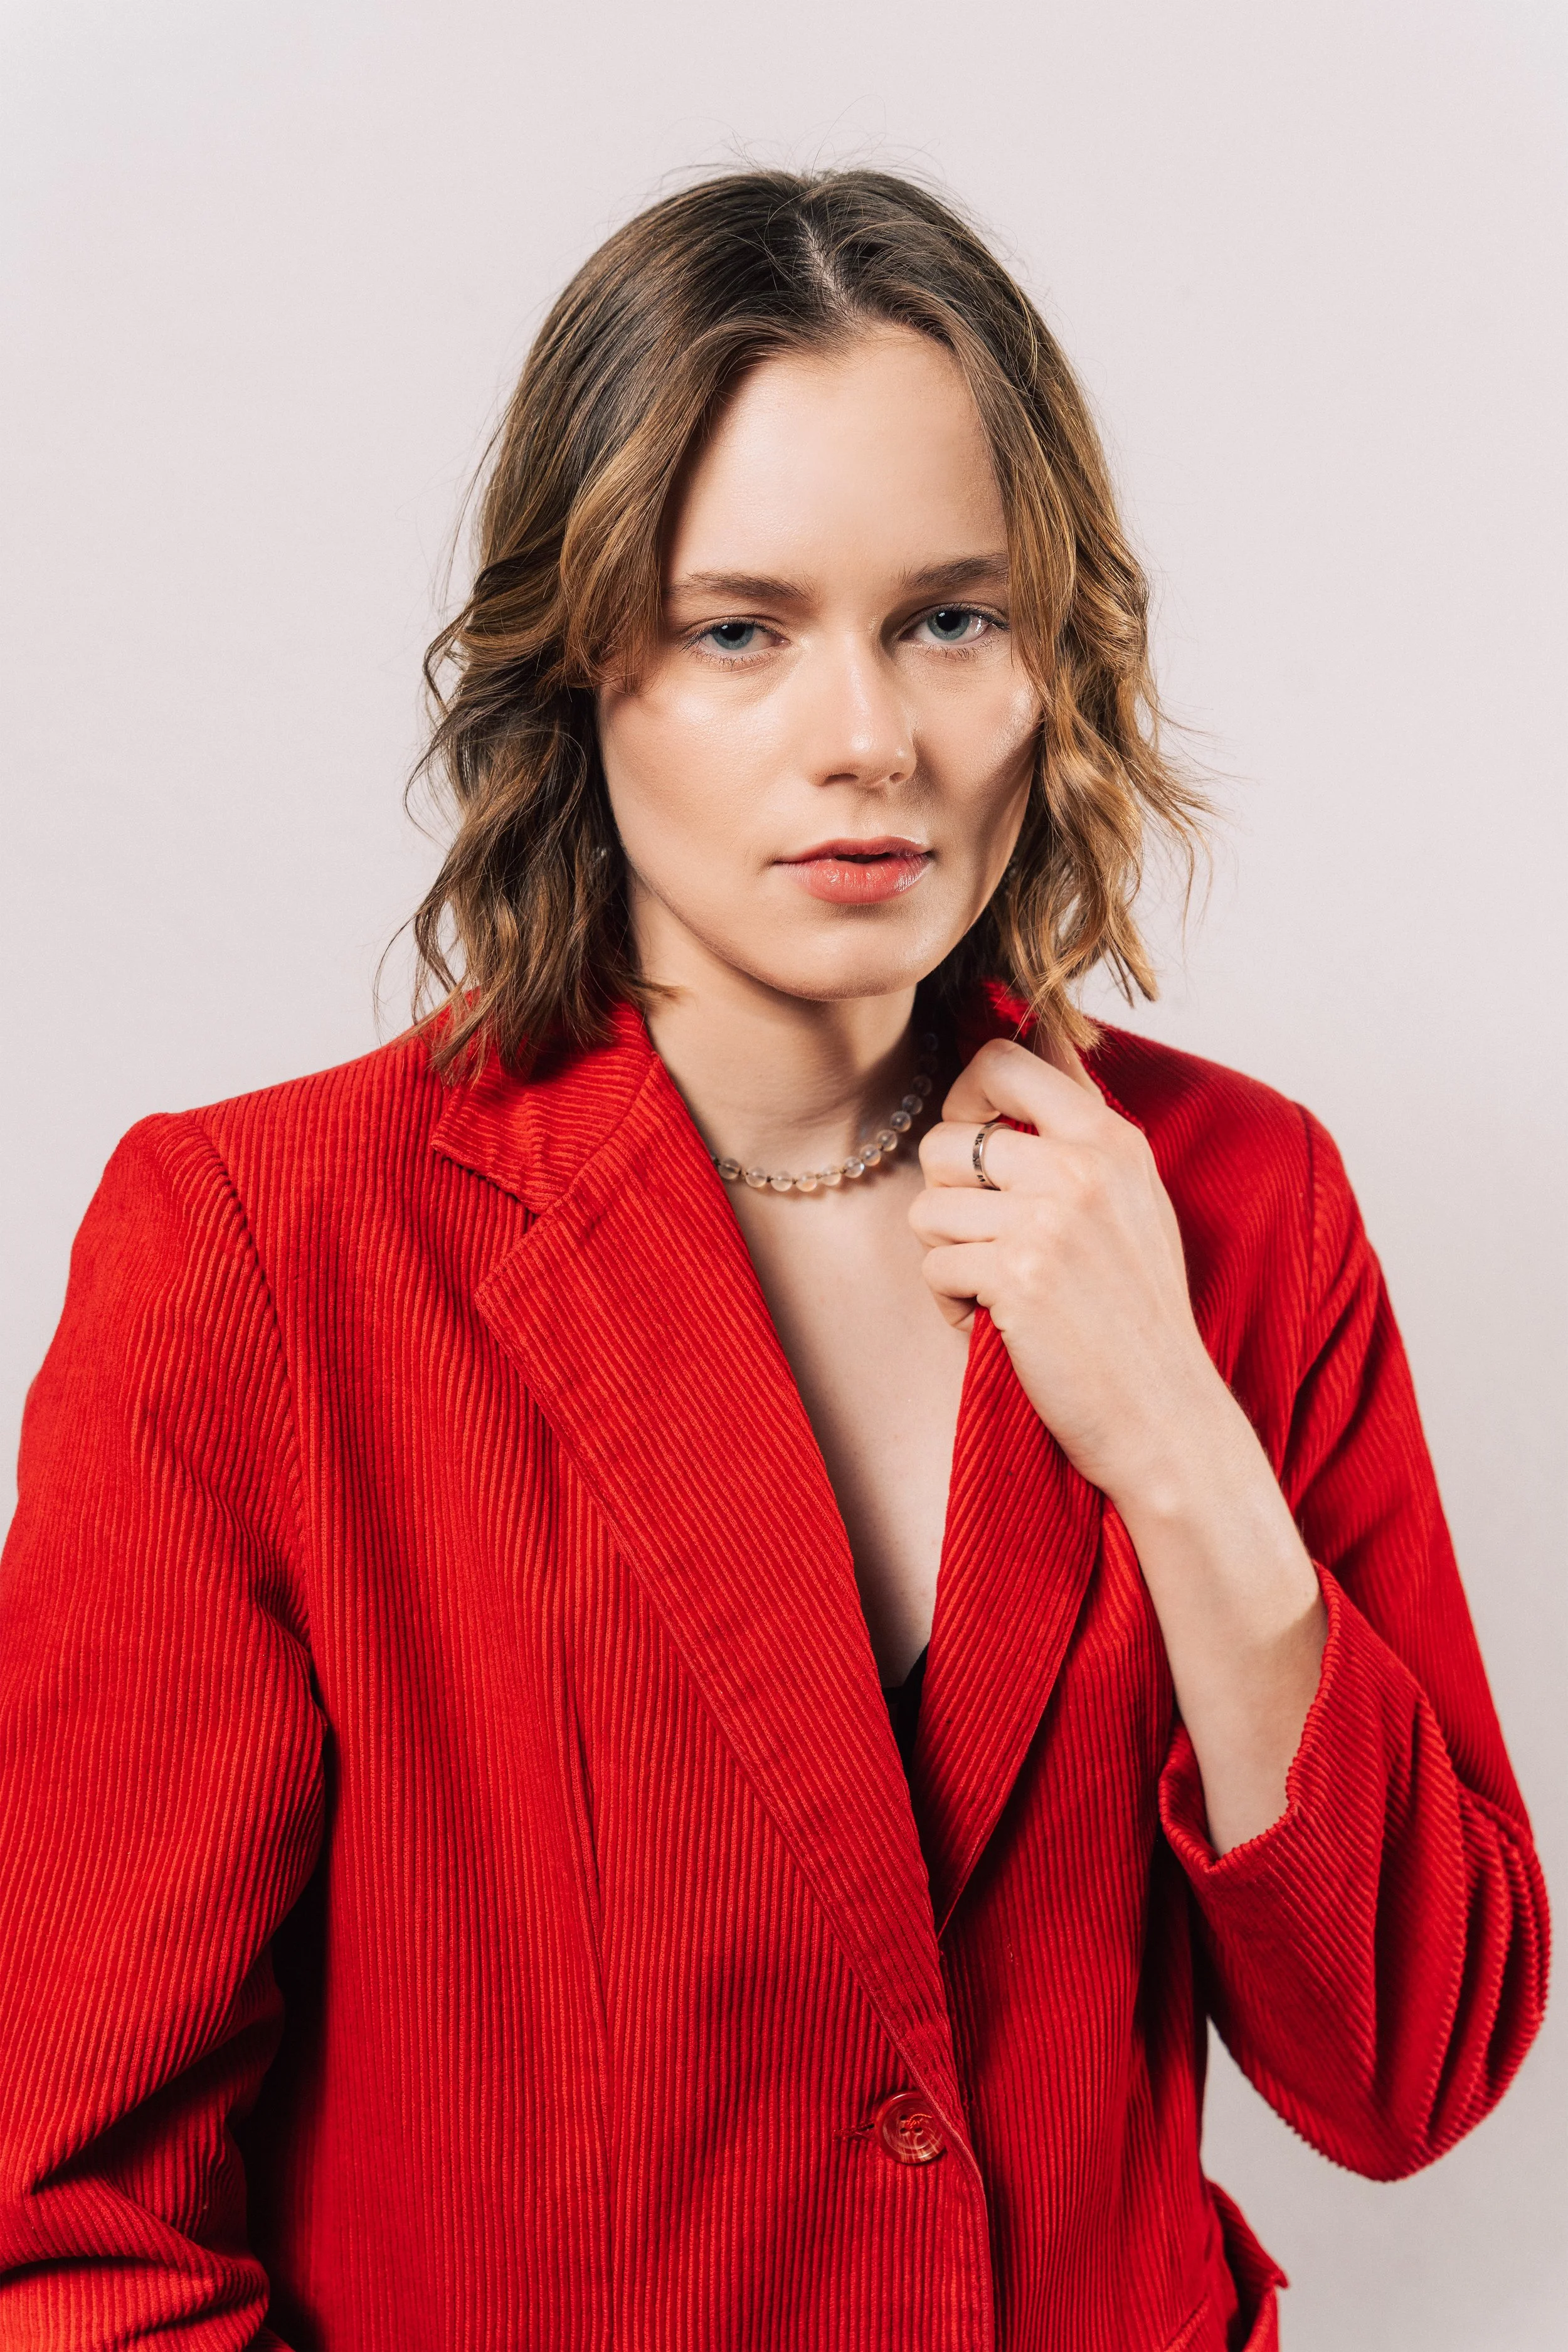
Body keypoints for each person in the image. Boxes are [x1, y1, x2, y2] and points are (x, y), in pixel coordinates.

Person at [0, 168, 1547, 2352]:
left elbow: (1408, 2068)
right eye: (743, 626)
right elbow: (64, 2229)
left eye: (950, 617)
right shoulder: (264, 1255)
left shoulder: (1237, 1203)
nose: (872, 739)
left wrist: (1187, 1457)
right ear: (581, 664)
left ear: (1057, 652)